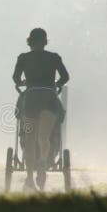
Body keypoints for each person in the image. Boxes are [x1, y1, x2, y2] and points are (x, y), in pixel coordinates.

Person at [12, 28, 69, 191]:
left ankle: (30, 178)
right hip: (49, 99)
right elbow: (65, 77)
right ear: (45, 42)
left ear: (29, 41)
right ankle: (43, 161)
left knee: (30, 140)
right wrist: (56, 84)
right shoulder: (54, 58)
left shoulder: (23, 58)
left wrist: (23, 82)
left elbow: (15, 78)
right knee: (43, 138)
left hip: (31, 100)